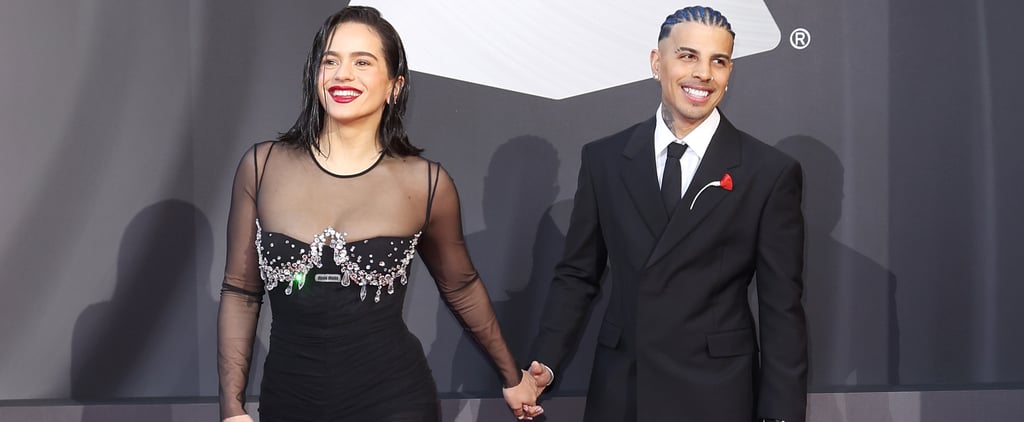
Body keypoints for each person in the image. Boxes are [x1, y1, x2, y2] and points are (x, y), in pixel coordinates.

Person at [216, 6, 542, 422]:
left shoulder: (425, 184)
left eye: (362, 62)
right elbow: (241, 291)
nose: (342, 74)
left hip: (395, 401)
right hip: (289, 400)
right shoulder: (262, 166)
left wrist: (512, 378)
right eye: (330, 60)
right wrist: (231, 407)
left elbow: (460, 287)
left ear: (394, 85)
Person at [525, 6, 808, 422]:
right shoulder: (604, 159)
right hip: (623, 390)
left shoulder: (768, 172)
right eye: (688, 56)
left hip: (717, 393)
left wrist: (781, 415)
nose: (704, 74)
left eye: (719, 61)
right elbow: (578, 275)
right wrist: (544, 363)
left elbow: (782, 307)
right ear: (658, 62)